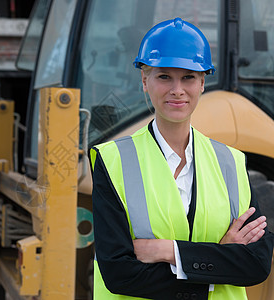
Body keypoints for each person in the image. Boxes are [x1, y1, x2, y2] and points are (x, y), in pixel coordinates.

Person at [89, 17, 274, 300]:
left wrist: (168, 251)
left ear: (202, 83)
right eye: (164, 76)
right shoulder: (113, 161)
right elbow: (118, 274)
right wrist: (219, 260)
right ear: (144, 81)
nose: (177, 90)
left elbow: (256, 264)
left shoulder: (231, 162)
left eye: (188, 77)